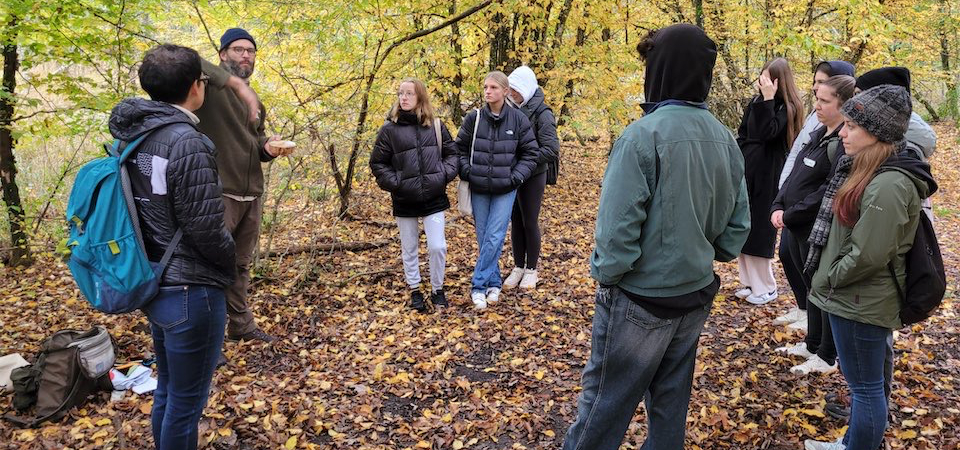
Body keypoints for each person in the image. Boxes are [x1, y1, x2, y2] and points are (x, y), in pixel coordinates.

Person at [562, 24, 750, 450]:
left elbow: (614, 236)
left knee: (604, 405)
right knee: (670, 405)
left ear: (660, 70)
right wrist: (705, 253)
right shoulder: (725, 139)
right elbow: (736, 230)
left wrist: (609, 277)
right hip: (695, 294)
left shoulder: (640, 136)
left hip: (640, 300)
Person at [110, 44, 236, 450]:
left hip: (155, 279)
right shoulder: (187, 141)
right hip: (191, 289)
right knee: (186, 402)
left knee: (169, 392)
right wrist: (229, 265)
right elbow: (205, 226)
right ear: (196, 87)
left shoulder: (135, 136)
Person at [803, 85, 937, 450]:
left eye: (851, 126)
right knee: (864, 385)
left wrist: (829, 279)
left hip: (861, 300)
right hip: (855, 298)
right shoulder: (869, 168)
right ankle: (852, 442)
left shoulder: (890, 184)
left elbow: (867, 255)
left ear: (876, 133)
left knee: (865, 389)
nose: (842, 133)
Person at [195, 28, 287, 346]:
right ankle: (207, 339)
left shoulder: (255, 99)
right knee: (209, 266)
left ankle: (240, 326)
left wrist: (268, 146)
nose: (245, 55)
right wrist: (232, 82)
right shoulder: (207, 87)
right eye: (237, 49)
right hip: (219, 193)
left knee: (240, 265)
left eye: (250, 51)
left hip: (252, 194)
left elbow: (254, 143)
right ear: (222, 54)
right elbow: (181, 58)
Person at [771, 75, 856, 376]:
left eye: (824, 101)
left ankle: (827, 354)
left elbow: (830, 189)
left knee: (821, 288)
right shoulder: (819, 133)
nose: (817, 106)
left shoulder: (844, 142)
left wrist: (792, 213)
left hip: (814, 228)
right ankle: (813, 343)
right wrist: (778, 205)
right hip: (795, 226)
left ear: (843, 104)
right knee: (810, 287)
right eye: (816, 99)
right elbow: (794, 174)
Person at [369, 78, 458, 312]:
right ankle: (415, 289)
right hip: (404, 199)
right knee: (409, 247)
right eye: (400, 93)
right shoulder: (389, 129)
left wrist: (442, 175)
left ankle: (437, 289)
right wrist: (396, 183)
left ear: (420, 97)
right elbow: (378, 163)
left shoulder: (436, 126)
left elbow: (453, 155)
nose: (404, 98)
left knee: (437, 246)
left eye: (409, 93)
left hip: (434, 197)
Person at [456, 71, 540, 309]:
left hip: (506, 189)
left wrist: (515, 178)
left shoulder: (518, 119)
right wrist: (468, 172)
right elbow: (459, 149)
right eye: (485, 87)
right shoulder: (474, 118)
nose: (488, 92)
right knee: (484, 238)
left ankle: (478, 285)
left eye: (493, 87)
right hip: (479, 187)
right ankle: (493, 283)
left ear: (505, 91)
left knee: (494, 236)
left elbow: (530, 153)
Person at [734, 57, 804, 306]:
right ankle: (749, 281)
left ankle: (766, 287)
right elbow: (745, 133)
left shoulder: (787, 107)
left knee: (761, 230)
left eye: (767, 78)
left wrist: (768, 100)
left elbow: (767, 134)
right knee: (744, 225)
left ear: (777, 82)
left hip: (769, 173)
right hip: (748, 169)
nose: (761, 83)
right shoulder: (756, 103)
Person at [502, 65, 559, 290]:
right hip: (515, 174)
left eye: (515, 90)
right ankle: (518, 266)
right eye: (510, 90)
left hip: (534, 174)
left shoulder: (542, 113)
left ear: (525, 89)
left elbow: (551, 149)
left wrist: (525, 160)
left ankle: (531, 270)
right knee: (515, 220)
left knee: (529, 220)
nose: (512, 94)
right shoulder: (512, 109)